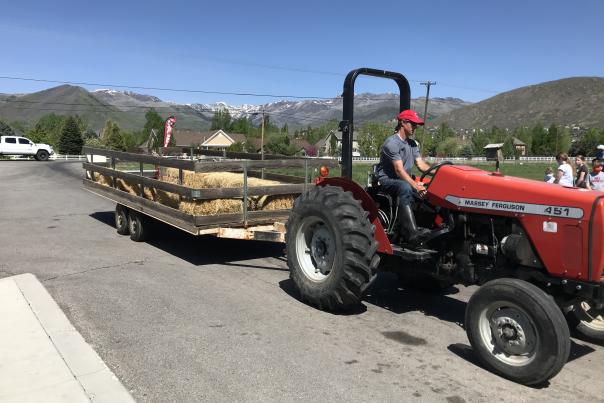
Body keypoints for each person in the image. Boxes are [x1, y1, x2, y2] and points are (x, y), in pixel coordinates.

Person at [375, 109, 431, 245]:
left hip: (404, 179)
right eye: (413, 124)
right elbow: (399, 170)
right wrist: (415, 185)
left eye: (416, 124)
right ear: (403, 123)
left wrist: (441, 171)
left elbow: (422, 165)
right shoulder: (392, 143)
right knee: (405, 187)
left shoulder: (412, 144)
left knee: (431, 188)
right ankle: (411, 234)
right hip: (389, 180)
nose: (415, 127)